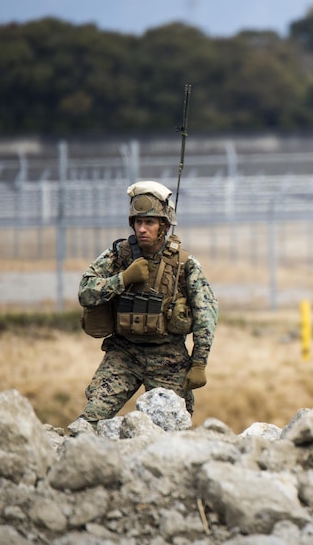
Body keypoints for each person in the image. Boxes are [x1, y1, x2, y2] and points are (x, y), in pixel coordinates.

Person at [77, 180, 218, 423]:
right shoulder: (118, 255)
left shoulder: (185, 264)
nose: (142, 229)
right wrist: (122, 279)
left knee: (173, 428)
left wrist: (199, 363)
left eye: (149, 222)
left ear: (163, 226)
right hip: (124, 353)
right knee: (90, 420)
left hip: (168, 357)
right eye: (138, 222)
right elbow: (85, 292)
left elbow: (206, 314)